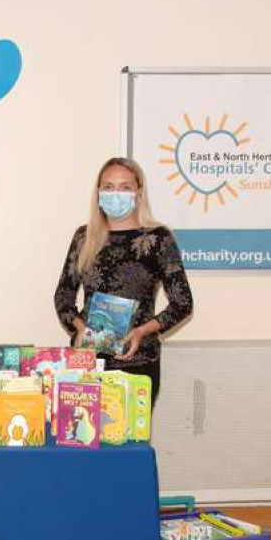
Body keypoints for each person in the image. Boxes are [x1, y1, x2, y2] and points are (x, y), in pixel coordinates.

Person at [54, 157, 193, 405]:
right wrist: (78, 327)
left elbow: (182, 304)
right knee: (81, 437)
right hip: (86, 364)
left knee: (129, 443)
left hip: (137, 364)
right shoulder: (84, 237)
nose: (115, 193)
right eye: (108, 187)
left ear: (139, 192)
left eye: (125, 187)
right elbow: (63, 296)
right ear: (98, 193)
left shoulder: (158, 238)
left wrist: (142, 331)